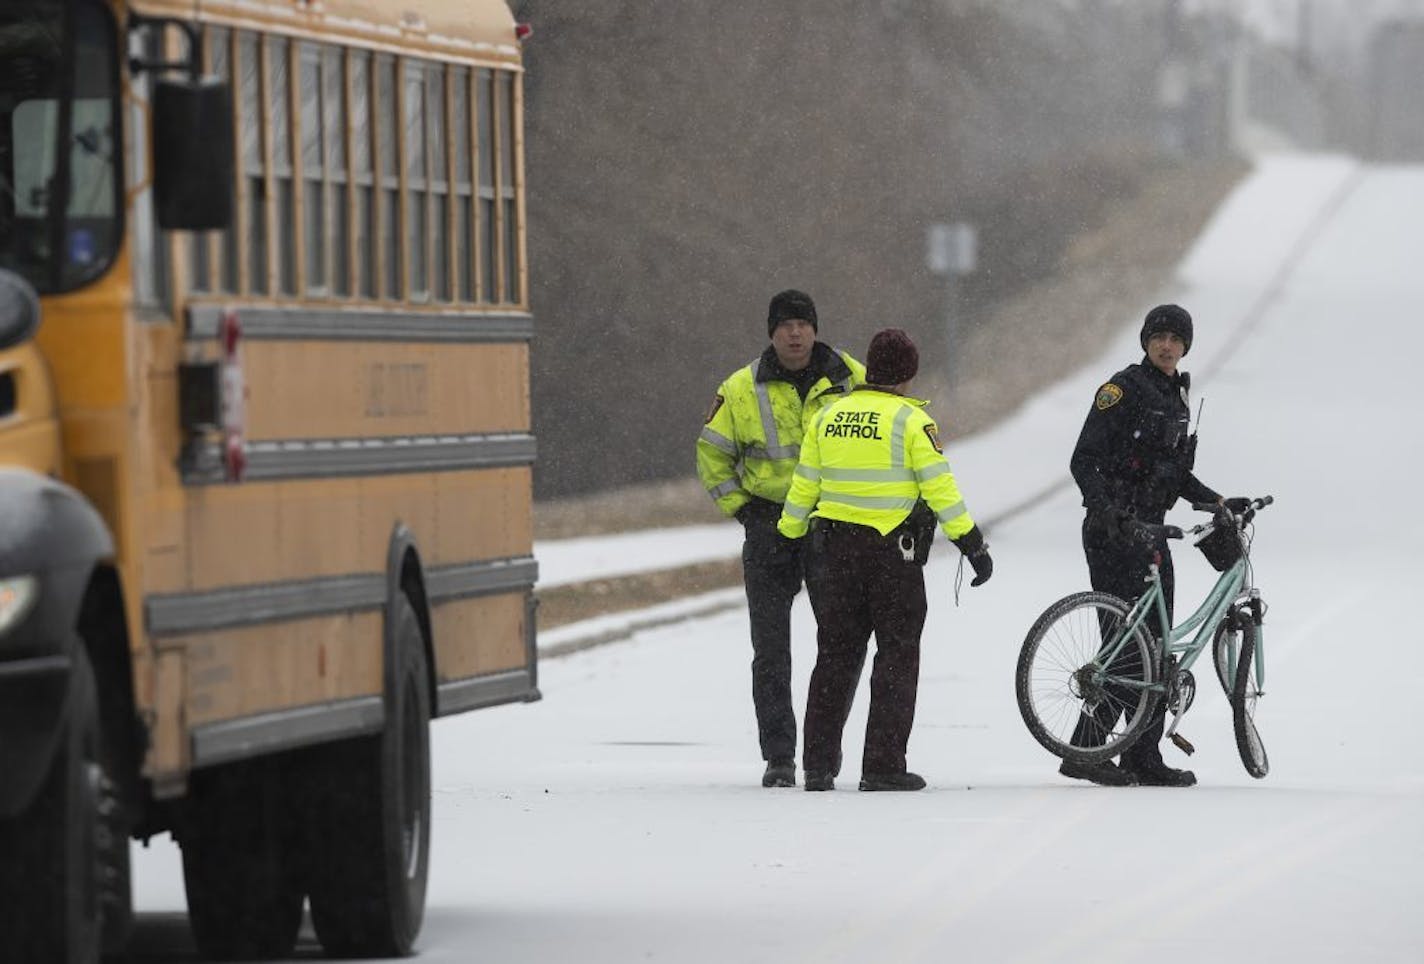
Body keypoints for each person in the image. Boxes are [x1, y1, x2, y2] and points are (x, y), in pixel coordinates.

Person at [777, 328, 992, 792]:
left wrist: (788, 537)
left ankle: (816, 766)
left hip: (834, 555)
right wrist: (971, 543)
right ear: (908, 374)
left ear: (870, 369)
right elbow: (940, 489)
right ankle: (882, 765)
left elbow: (804, 486)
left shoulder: (829, 417)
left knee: (834, 656)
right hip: (891, 557)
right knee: (896, 657)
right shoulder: (910, 422)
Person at [1064, 303, 1250, 788]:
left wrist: (1217, 500)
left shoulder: (1175, 394)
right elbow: (1084, 460)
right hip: (1115, 533)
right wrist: (1108, 512)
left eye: (1175, 338)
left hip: (1151, 531)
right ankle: (1087, 749)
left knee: (1157, 646)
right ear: (1146, 342)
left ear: (1186, 346)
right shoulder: (1122, 388)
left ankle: (1142, 756)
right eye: (1158, 336)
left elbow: (1172, 472)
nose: (1166, 345)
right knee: (1128, 645)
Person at [696, 290, 867, 788]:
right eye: (785, 325)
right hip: (769, 527)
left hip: (829, 524)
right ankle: (779, 757)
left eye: (802, 324)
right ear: (771, 332)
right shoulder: (740, 388)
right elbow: (711, 456)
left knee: (838, 645)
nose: (795, 333)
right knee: (771, 650)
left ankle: (822, 754)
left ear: (815, 328)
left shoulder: (851, 379)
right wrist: (743, 510)